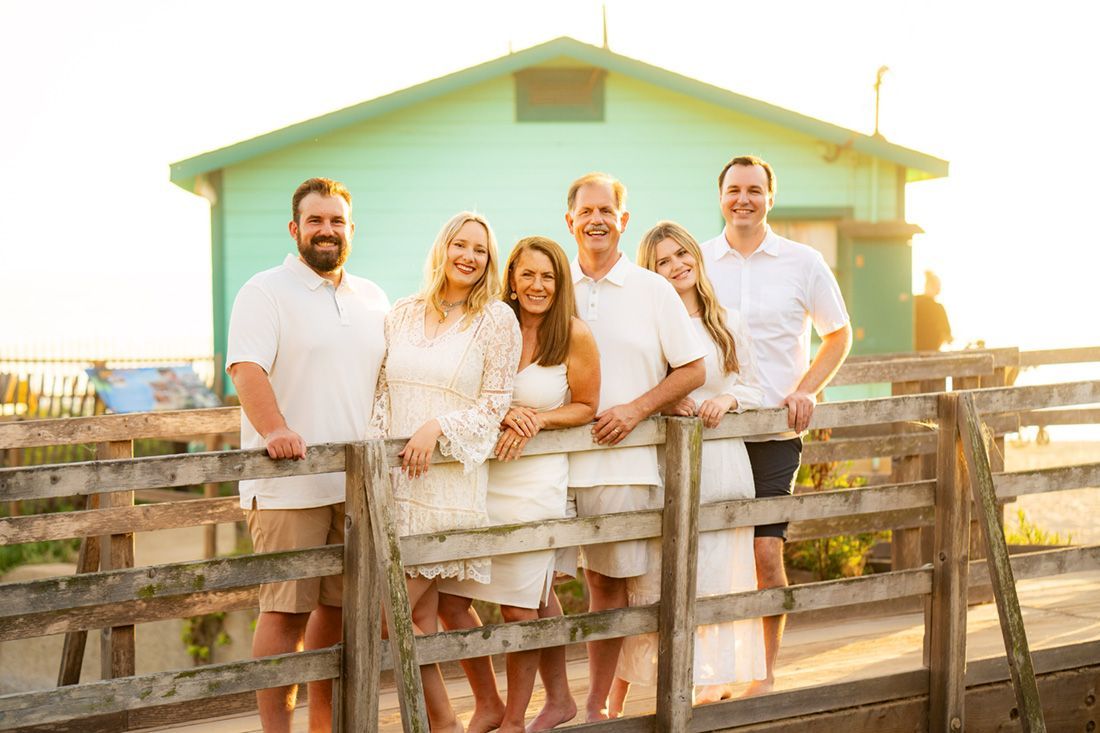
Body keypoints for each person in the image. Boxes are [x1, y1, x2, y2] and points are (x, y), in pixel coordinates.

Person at [226, 177, 389, 733]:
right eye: (315, 221)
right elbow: (247, 369)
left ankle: (325, 727)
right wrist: (275, 429)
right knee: (285, 610)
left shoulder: (372, 297)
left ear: (351, 229)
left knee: (341, 614)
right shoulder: (264, 291)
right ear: (295, 229)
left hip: (355, 487)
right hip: (287, 484)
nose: (327, 230)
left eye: (337, 221)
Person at [557, 172, 707, 722]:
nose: (596, 219)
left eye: (607, 211)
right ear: (569, 220)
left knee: (608, 584)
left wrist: (637, 408)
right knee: (532, 586)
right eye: (585, 211)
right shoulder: (553, 286)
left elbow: (693, 368)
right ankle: (547, 700)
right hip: (550, 463)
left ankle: (597, 705)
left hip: (621, 461)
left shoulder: (653, 289)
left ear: (623, 220)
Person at [701, 155, 852, 695]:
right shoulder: (698, 261)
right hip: (714, 434)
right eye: (734, 189)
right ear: (720, 196)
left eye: (755, 190)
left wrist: (806, 388)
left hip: (776, 432)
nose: (744, 198)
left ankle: (762, 675)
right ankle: (710, 674)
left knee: (765, 552)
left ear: (771, 196)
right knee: (713, 558)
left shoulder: (803, 261)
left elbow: (837, 334)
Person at [436, 236, 600, 733]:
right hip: (483, 477)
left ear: (560, 283)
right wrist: (502, 411)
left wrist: (539, 419)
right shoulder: (491, 323)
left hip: (535, 480)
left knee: (520, 604)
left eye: (547, 276)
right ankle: (491, 701)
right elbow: (467, 388)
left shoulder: (573, 334)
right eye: (527, 274)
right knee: (450, 600)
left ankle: (513, 718)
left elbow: (587, 406)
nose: (537, 285)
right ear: (511, 278)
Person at [369, 211, 522, 733]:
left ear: (488, 260)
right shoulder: (402, 312)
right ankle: (476, 712)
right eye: (461, 244)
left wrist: (437, 426)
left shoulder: (497, 319)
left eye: (480, 249)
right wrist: (379, 461)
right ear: (443, 248)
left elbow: (494, 404)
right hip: (397, 481)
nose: (469, 256)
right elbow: (383, 392)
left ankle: (446, 723)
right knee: (417, 618)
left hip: (448, 480)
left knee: (393, 617)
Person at [609, 221, 767, 713]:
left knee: (718, 570)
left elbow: (755, 387)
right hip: (667, 460)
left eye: (682, 255)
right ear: (651, 271)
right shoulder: (648, 321)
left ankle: (709, 682)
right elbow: (634, 382)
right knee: (656, 576)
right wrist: (665, 403)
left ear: (697, 259)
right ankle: (625, 685)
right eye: (663, 260)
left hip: (721, 458)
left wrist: (728, 399)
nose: (676, 266)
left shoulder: (729, 322)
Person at [914, 270, 952, 351]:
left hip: (914, 351)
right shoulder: (938, 308)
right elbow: (947, 337)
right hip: (931, 353)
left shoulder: (913, 301)